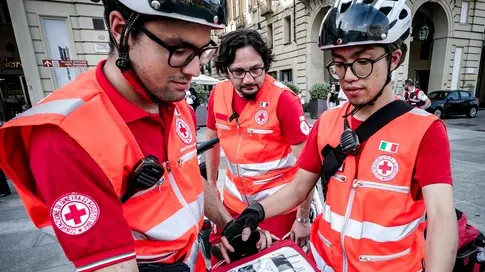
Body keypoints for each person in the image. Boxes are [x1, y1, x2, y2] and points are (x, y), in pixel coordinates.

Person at [0, 1, 266, 271]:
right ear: (120, 29)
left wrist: (226, 223)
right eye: (180, 49)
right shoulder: (66, 138)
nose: (194, 69)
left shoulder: (172, 102)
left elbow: (185, 173)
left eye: (202, 51)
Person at [223, 0, 458, 271]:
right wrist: (257, 211)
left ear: (394, 58)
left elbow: (441, 216)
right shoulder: (328, 122)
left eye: (362, 62)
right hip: (324, 263)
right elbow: (299, 187)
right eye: (339, 64)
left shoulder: (425, 130)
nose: (349, 77)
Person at [204, 29, 313, 263]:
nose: (249, 79)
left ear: (266, 65)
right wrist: (212, 183)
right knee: (228, 263)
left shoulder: (284, 100)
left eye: (256, 69)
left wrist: (303, 219)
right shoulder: (217, 94)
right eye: (239, 72)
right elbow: (212, 139)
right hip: (233, 206)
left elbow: (309, 168)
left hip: (277, 209)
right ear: (225, 70)